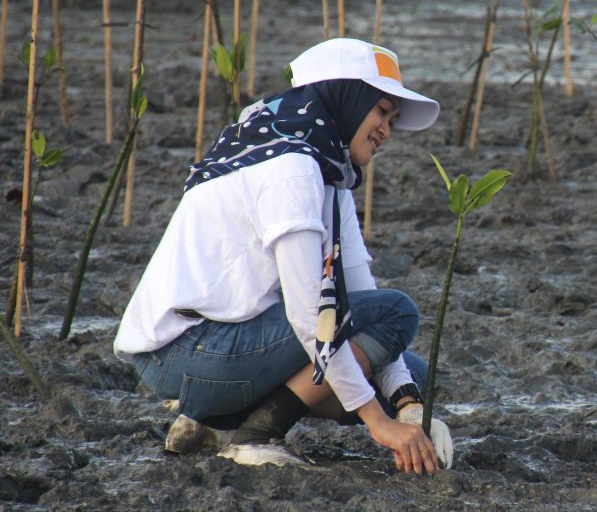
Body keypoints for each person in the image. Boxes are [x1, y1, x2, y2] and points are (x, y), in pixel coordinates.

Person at [114, 38, 453, 472]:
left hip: (231, 345)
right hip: (186, 352)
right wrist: (379, 423)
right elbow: (313, 314)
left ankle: (214, 423)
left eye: (393, 118)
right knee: (396, 315)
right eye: (381, 111)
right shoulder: (290, 168)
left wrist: (407, 408)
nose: (387, 129)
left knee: (411, 372)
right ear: (344, 98)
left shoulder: (329, 171)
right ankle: (255, 436)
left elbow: (361, 298)